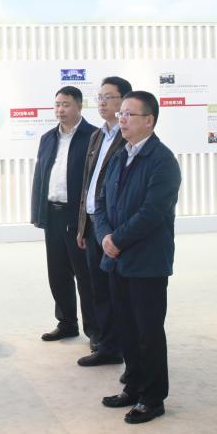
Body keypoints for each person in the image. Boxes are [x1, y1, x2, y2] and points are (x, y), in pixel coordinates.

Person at [93, 91, 180, 425]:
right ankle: (132, 386)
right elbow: (101, 201)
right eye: (121, 114)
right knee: (127, 328)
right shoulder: (120, 155)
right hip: (117, 259)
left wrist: (117, 239)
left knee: (148, 332)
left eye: (129, 114)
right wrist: (105, 236)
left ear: (149, 120)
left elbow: (152, 212)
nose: (122, 119)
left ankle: (153, 397)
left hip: (147, 262)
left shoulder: (163, 160)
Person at [31, 86, 97, 343]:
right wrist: (38, 213)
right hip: (52, 212)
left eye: (66, 104)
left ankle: (95, 330)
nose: (60, 109)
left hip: (78, 215)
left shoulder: (93, 136)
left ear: (79, 106)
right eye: (57, 104)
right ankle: (67, 322)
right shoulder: (48, 137)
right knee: (58, 273)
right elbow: (40, 177)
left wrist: (88, 219)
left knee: (85, 275)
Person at [75, 77, 131, 368]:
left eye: (109, 97)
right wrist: (83, 225)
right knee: (97, 287)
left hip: (112, 225)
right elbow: (88, 183)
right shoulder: (98, 135)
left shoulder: (127, 137)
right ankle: (107, 344)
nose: (102, 102)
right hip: (93, 221)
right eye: (99, 97)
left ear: (124, 101)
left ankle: (119, 345)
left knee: (115, 289)